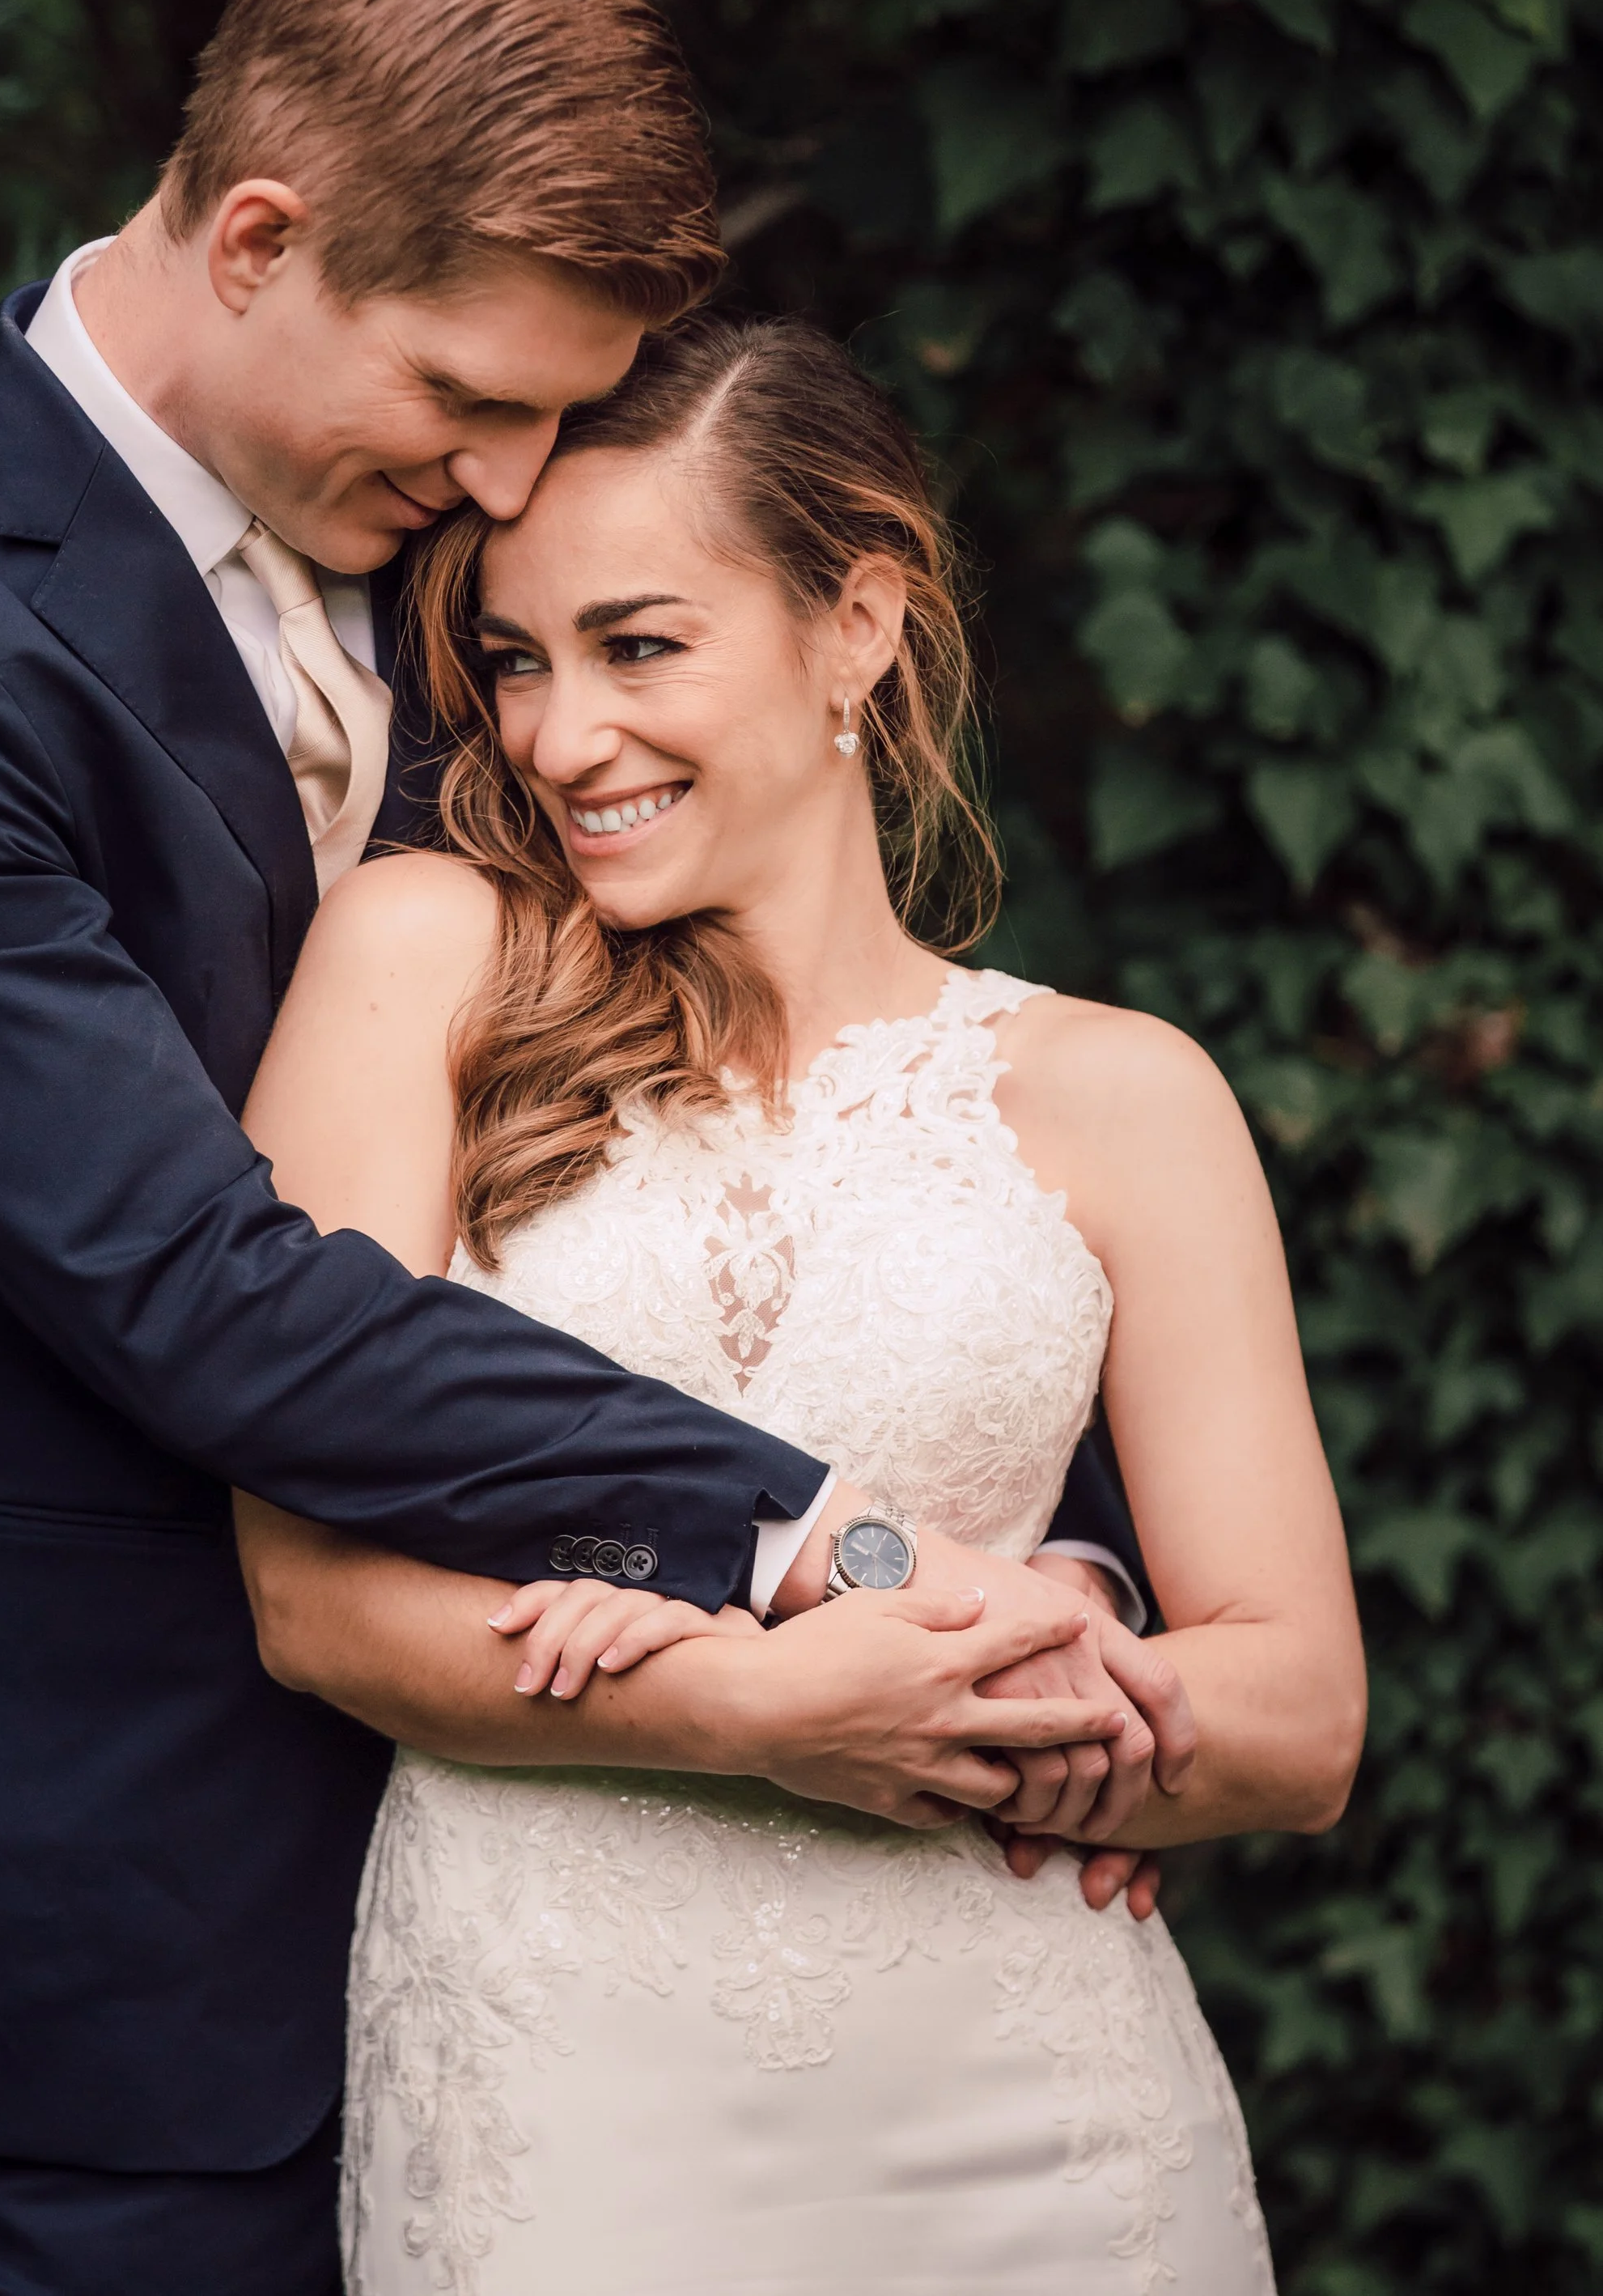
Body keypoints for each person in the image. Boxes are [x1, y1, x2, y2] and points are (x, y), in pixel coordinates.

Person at [0, 0, 1177, 2296]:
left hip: (622, 1971)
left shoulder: (464, 570)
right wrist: (823, 1534)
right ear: (264, 237)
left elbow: (814, 1068)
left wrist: (1039, 1606)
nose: (513, 489)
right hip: (120, 1983)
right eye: (472, 403)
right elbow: (204, 1290)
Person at [232, 312, 1368, 2294]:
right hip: (564, 2088)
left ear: (859, 623)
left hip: (1033, 2115)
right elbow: (312, 1599)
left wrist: (1026, 1639)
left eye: (637, 645)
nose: (555, 735)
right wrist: (746, 1705)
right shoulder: (424, 961)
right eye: (515, 659)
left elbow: (1289, 1715)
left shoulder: (1123, 1092)